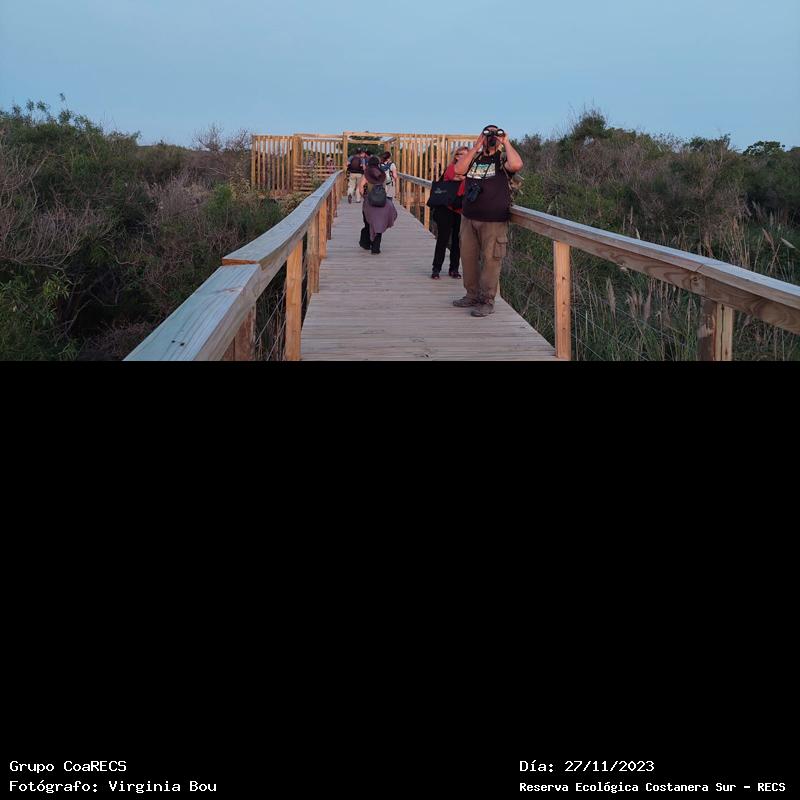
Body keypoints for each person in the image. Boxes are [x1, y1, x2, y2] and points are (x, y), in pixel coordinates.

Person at [451, 125, 523, 316]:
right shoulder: (475, 158)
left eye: (495, 133)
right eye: (487, 133)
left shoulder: (501, 159)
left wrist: (506, 141)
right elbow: (458, 169)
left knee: (491, 261)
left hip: (494, 220)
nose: (491, 136)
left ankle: (487, 300)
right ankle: (471, 295)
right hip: (469, 218)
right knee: (468, 259)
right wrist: (476, 146)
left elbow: (516, 165)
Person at [431, 146, 468, 280]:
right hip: (446, 209)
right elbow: (456, 177)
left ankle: (454, 269)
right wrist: (467, 177)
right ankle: (436, 269)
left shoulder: (469, 171)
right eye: (463, 155)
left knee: (457, 241)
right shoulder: (451, 168)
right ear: (456, 157)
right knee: (443, 239)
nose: (466, 157)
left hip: (459, 210)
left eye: (468, 155)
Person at [358, 156, 398, 255]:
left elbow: (361, 188)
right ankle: (375, 248)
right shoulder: (382, 174)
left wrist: (365, 197)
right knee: (379, 223)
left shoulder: (366, 174)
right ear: (378, 164)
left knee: (368, 223)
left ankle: (366, 243)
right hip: (381, 202)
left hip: (369, 202)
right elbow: (385, 188)